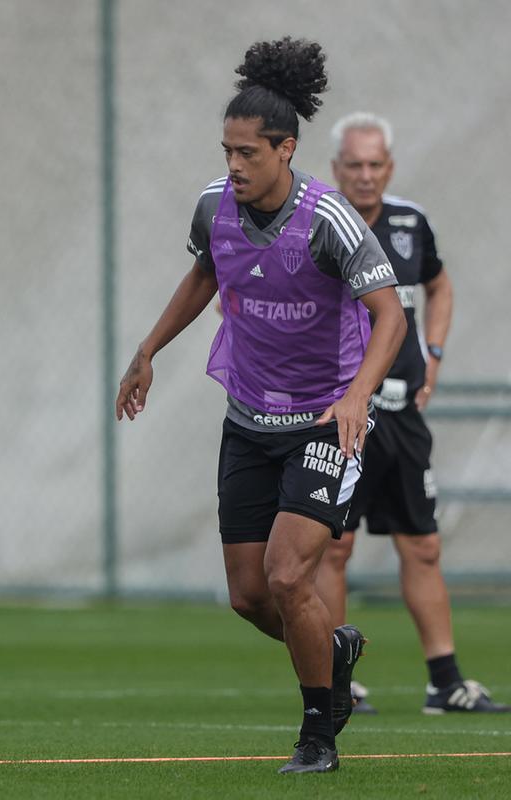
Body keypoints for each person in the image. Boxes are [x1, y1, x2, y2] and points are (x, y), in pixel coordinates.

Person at [115, 37, 406, 774]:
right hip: (247, 420)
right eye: (227, 151)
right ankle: (334, 648)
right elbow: (205, 275)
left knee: (286, 574)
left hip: (324, 423)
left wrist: (356, 396)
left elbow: (391, 314)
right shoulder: (214, 208)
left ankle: (318, 738)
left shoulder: (330, 219)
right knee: (250, 597)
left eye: (248, 152)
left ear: (286, 148)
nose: (233, 166)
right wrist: (148, 350)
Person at [314, 112, 508, 715]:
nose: (366, 175)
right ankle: (337, 679)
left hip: (403, 416)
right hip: (345, 413)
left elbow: (439, 286)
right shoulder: (316, 225)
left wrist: (437, 354)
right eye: (355, 164)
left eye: (376, 164)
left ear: (389, 167)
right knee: (334, 549)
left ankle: (444, 683)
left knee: (422, 546)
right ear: (335, 168)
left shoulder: (409, 221)